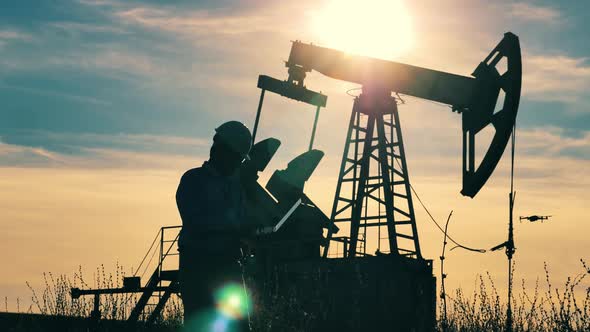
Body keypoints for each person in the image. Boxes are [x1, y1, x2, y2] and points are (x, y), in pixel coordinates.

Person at [176, 121, 252, 327]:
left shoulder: (236, 188)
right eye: (236, 157)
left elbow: (242, 218)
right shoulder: (193, 180)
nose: (237, 163)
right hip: (200, 267)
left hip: (229, 266)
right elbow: (196, 221)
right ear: (221, 150)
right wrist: (232, 230)